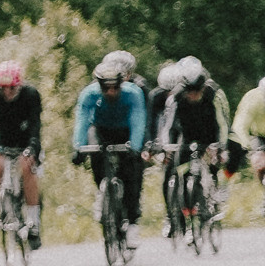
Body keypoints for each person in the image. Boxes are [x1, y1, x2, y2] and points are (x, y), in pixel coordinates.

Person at [72, 50, 149, 243]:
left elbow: (138, 121)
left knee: (131, 173)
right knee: (96, 155)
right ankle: (103, 192)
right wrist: (78, 147)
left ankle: (132, 223)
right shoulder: (89, 94)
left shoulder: (134, 93)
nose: (110, 92)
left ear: (122, 82)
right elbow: (82, 121)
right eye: (105, 88)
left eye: (115, 87)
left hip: (125, 130)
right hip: (101, 130)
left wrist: (136, 146)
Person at [154, 55, 231, 227]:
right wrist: (165, 146)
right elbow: (167, 126)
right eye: (190, 91)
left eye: (197, 90)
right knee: (180, 168)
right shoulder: (176, 97)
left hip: (210, 131)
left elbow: (222, 124)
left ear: (204, 87)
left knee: (214, 163)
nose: (193, 95)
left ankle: (214, 195)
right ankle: (186, 211)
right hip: (187, 133)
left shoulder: (213, 94)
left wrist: (221, 147)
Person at [0, 59, 44, 248]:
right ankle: (0, 206)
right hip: (2, 141)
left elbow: (35, 125)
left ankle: (33, 222)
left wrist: (32, 148)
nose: (7, 93)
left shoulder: (31, 95)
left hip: (26, 140)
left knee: (28, 167)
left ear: (19, 85)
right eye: (3, 89)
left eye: (12, 88)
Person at [232, 74, 265, 184]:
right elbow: (239, 126)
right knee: (260, 163)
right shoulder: (253, 99)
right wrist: (249, 147)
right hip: (259, 136)